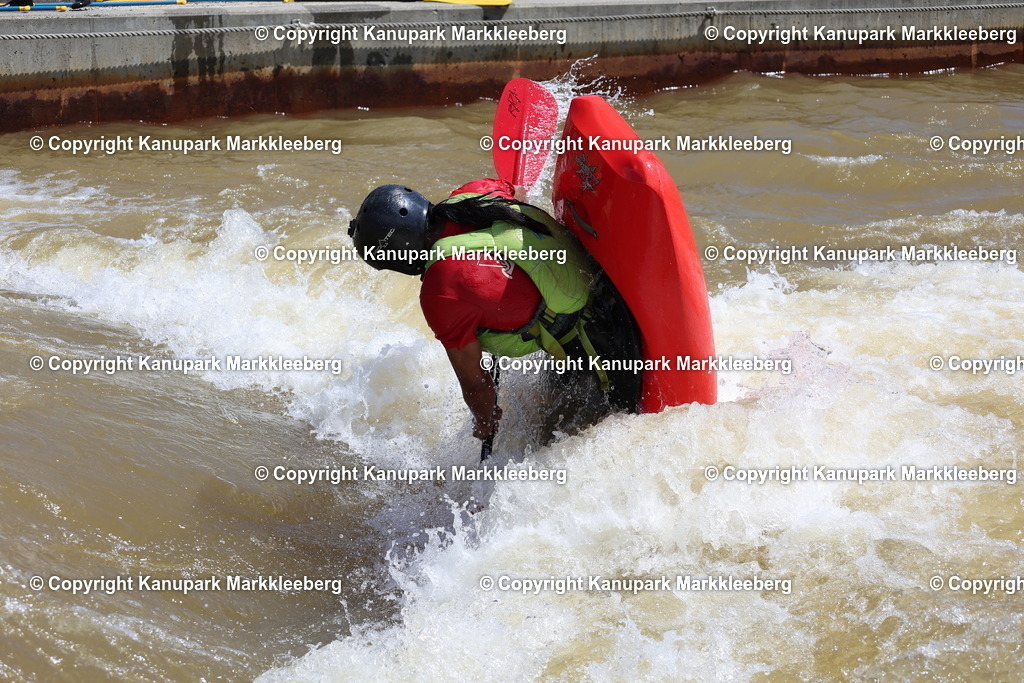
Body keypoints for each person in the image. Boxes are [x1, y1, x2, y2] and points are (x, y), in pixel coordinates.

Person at [347, 178, 642, 444]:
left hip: (601, 343)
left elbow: (476, 384)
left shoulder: (440, 291)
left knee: (590, 431)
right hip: (605, 281)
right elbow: (516, 190)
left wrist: (485, 421)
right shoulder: (473, 193)